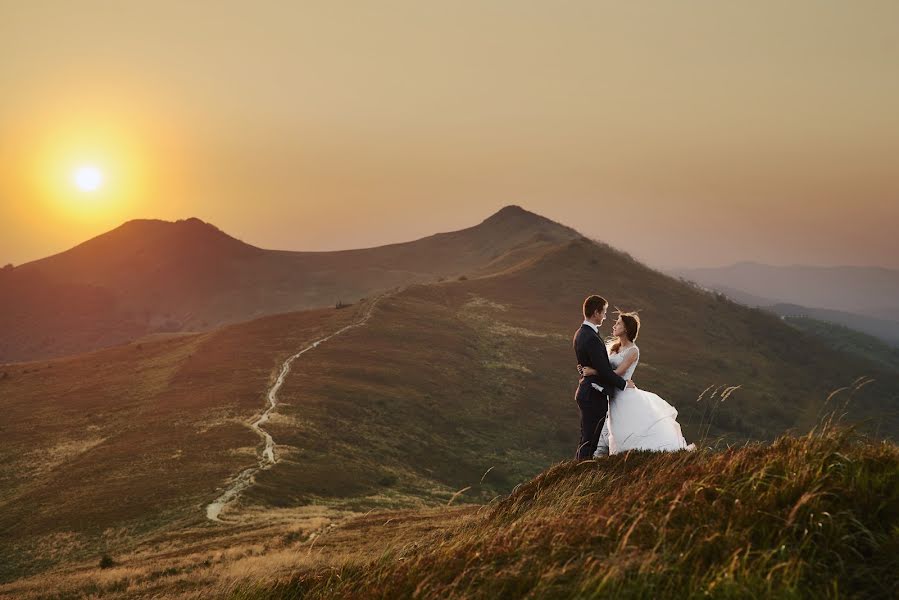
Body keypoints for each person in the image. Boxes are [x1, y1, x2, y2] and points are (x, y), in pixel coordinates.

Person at [580, 311, 693, 455]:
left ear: (626, 329)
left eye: (618, 323)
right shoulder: (614, 348)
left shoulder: (633, 351)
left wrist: (593, 372)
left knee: (621, 431)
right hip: (612, 394)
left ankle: (625, 457)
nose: (614, 326)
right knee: (609, 432)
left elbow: (617, 373)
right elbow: (605, 369)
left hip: (624, 395)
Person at [572, 295, 635, 460]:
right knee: (590, 440)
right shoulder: (591, 338)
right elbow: (605, 371)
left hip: (588, 390)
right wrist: (623, 384)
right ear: (596, 313)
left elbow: (587, 365)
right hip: (593, 393)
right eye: (604, 312)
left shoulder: (580, 333)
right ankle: (581, 471)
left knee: (587, 438)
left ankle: (578, 469)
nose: (605, 317)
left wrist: (590, 371)